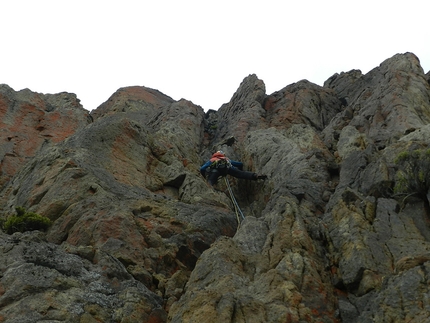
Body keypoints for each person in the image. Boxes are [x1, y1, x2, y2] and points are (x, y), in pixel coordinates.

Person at [200, 151, 267, 186]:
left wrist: (204, 176)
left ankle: (210, 188)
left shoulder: (212, 160)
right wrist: (239, 171)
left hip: (215, 171)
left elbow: (202, 169)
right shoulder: (225, 159)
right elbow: (240, 164)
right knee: (241, 174)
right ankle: (255, 175)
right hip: (227, 168)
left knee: (210, 182)